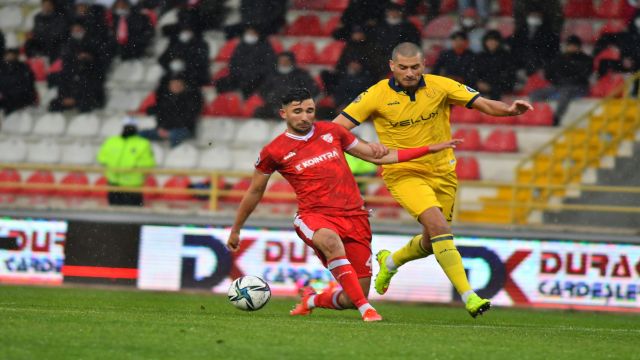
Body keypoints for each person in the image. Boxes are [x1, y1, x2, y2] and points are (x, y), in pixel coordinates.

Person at [332, 42, 534, 318]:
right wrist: (368, 146)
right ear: (392, 66)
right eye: (403, 67)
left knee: (431, 241)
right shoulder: (375, 95)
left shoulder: (442, 85)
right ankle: (470, 296)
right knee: (439, 225)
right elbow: (335, 129)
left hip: (443, 172)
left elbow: (484, 104)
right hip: (403, 172)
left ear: (424, 64)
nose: (409, 72)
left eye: (415, 67)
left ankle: (390, 261)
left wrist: (509, 110)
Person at [226, 88, 462, 322]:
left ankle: (312, 300)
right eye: (297, 111)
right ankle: (367, 310)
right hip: (314, 216)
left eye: (310, 110)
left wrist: (428, 149)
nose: (305, 116)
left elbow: (377, 156)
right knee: (331, 243)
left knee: (352, 296)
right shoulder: (273, 151)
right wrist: (237, 228)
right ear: (283, 114)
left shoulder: (332, 131)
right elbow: (255, 190)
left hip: (355, 217)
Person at [530, 35, 592, 126]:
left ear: (579, 47)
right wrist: (557, 80)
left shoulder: (586, 60)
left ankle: (556, 118)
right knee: (535, 94)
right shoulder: (559, 58)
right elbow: (549, 73)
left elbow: (582, 76)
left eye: (574, 46)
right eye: (570, 45)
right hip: (559, 85)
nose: (572, 48)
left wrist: (566, 79)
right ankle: (541, 114)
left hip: (578, 87)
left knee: (565, 92)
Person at [97, 117, 156, 206]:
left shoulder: (143, 143)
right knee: (113, 212)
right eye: (127, 127)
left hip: (132, 186)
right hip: (113, 184)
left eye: (131, 127)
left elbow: (148, 162)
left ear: (136, 128)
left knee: (132, 214)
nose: (128, 129)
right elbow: (102, 157)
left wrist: (131, 166)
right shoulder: (111, 141)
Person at [214, 26, 276, 97]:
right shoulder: (241, 46)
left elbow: (269, 65)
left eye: (252, 34)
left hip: (257, 78)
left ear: (258, 35)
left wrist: (253, 73)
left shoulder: (266, 47)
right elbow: (233, 63)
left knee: (250, 84)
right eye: (248, 33)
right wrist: (238, 72)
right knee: (221, 83)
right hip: (239, 76)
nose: (250, 36)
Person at [140, 76, 203, 147]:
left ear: (183, 86)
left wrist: (168, 131)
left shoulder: (189, 100)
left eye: (178, 85)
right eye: (173, 85)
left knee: (174, 135)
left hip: (183, 130)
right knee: (141, 134)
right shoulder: (166, 99)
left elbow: (188, 119)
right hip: (165, 129)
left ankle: (175, 156)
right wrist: (162, 128)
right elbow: (160, 114)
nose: (175, 87)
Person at [254, 52, 319, 119]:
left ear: (291, 61)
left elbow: (313, 90)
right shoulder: (272, 75)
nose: (283, 63)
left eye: (286, 61)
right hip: (274, 107)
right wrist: (272, 99)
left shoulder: (301, 75)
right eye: (281, 61)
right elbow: (263, 91)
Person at [475, 30, 516, 101]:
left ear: (499, 42)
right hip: (481, 86)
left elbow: (508, 75)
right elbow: (473, 73)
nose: (491, 43)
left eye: (494, 40)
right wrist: (479, 83)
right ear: (485, 42)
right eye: (489, 40)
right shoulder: (480, 57)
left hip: (500, 87)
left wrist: (491, 86)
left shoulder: (506, 57)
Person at [0, 49, 37, 115]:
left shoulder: (23, 67)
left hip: (22, 100)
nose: (9, 57)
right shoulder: (3, 69)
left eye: (11, 55)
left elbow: (29, 85)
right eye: (8, 55)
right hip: (9, 101)